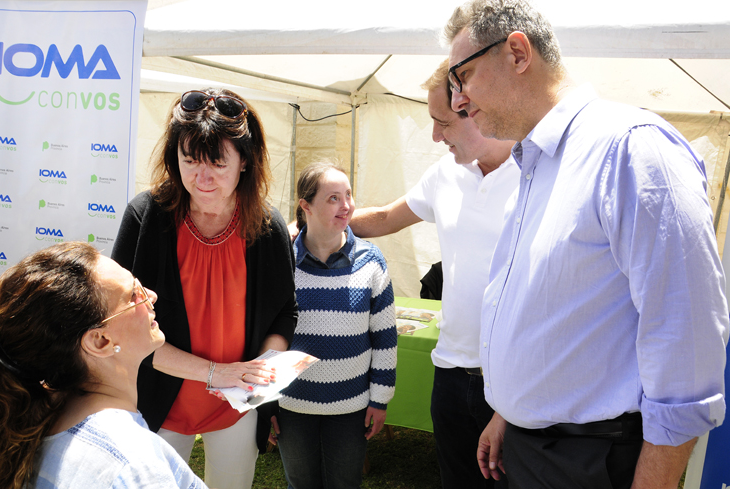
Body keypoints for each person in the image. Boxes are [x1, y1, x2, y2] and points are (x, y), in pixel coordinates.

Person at [444, 1, 729, 488]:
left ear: (516, 52)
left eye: (463, 76)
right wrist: (508, 411)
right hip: (538, 450)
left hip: (592, 459)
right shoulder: (538, 162)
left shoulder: (632, 150)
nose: (457, 101)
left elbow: (687, 347)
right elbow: (555, 317)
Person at [112, 88, 297, 489]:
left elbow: (285, 310)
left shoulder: (267, 227)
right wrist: (217, 373)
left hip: (235, 408)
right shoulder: (145, 218)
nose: (203, 177)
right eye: (190, 161)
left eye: (217, 162)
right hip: (157, 402)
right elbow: (124, 327)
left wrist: (262, 369)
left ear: (245, 161)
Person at [349, 61, 518, 489]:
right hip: (449, 373)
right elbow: (387, 216)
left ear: (475, 109)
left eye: (442, 122)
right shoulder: (445, 173)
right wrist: (319, 221)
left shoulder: (536, 174)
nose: (434, 136)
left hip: (510, 381)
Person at [0, 242, 208, 489]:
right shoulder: (134, 465)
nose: (151, 295)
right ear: (100, 341)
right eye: (133, 295)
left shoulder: (36, 420)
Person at [271, 161, 397, 489]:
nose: (347, 206)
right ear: (305, 206)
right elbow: (264, 335)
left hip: (351, 408)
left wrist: (379, 399)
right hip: (291, 407)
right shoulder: (281, 264)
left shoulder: (372, 262)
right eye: (333, 198)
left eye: (349, 195)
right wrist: (264, 403)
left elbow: (385, 338)